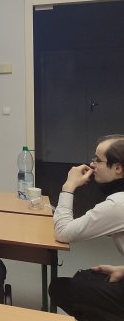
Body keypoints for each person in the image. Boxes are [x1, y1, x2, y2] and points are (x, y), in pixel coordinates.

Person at [49, 134, 124, 320]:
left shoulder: (118, 204)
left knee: (61, 288)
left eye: (98, 160)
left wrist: (69, 186)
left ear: (118, 168)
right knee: (86, 277)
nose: (92, 165)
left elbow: (63, 233)